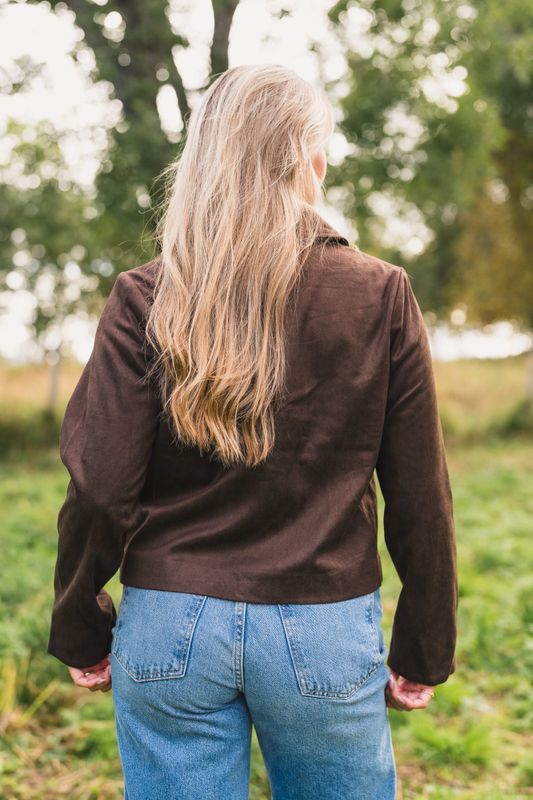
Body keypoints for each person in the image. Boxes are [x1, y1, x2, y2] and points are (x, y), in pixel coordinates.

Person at [47, 63, 458, 800]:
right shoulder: (380, 294)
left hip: (168, 625)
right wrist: (425, 642)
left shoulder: (145, 295)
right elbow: (419, 491)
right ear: (310, 159)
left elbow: (100, 484)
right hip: (324, 628)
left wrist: (79, 622)